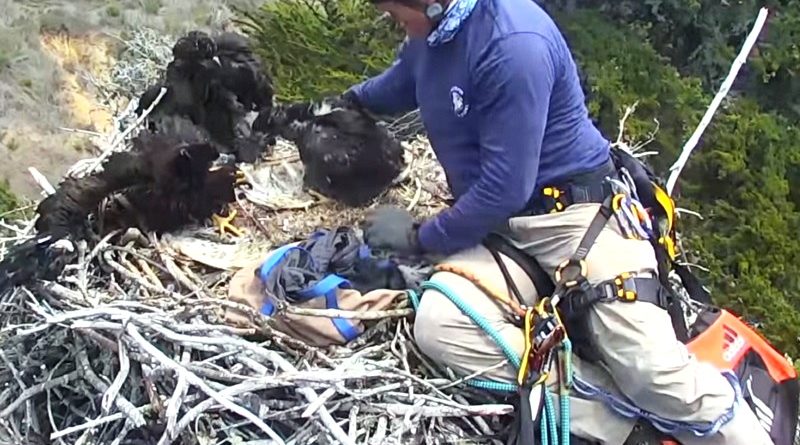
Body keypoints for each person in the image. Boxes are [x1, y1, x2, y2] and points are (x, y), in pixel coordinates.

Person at [341, 0, 774, 443]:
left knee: (649, 368)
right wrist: (342, 104)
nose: (389, 19)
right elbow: (404, 81)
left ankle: (741, 433)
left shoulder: (511, 45)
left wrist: (419, 237)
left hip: (577, 217)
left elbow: (503, 188)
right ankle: (625, 428)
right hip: (505, 230)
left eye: (393, 11)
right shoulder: (433, 35)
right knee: (441, 324)